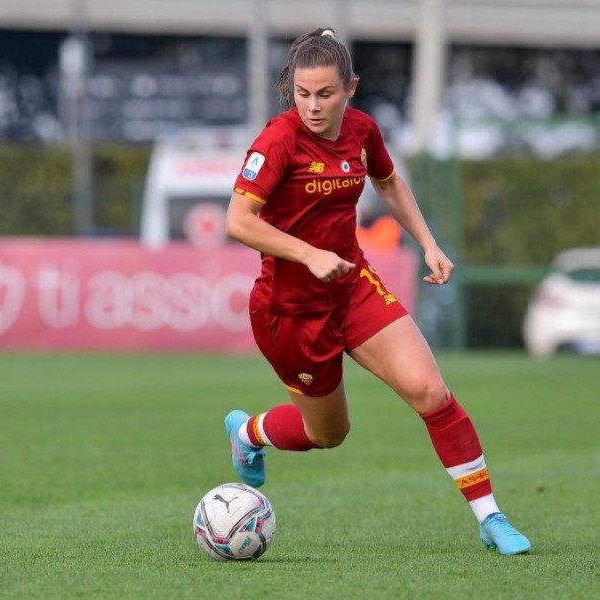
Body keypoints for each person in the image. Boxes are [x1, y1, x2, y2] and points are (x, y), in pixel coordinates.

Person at [224, 27, 530, 555]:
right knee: (328, 434)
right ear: (291, 90)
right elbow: (238, 220)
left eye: (325, 94)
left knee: (431, 392)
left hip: (353, 288)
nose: (313, 106)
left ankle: (491, 517)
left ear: (350, 88)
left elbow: (388, 182)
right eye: (303, 94)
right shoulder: (277, 140)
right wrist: (309, 253)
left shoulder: (363, 131)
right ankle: (249, 433)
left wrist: (428, 243)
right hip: (289, 310)